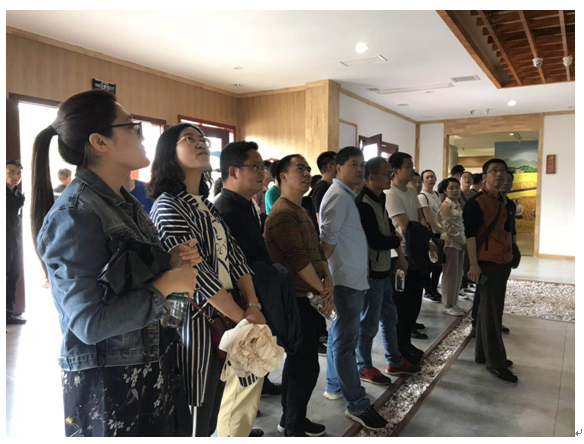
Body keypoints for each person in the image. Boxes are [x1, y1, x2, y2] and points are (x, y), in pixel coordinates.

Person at [31, 90, 200, 436]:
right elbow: (88, 323)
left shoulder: (124, 203)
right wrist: (165, 285)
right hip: (110, 384)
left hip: (153, 364)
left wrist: (170, 264)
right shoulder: (76, 214)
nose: (140, 135)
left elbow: (131, 282)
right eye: (131, 126)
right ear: (99, 142)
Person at [148, 123, 266, 437]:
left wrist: (253, 304)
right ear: (168, 153)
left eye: (202, 139)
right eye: (189, 139)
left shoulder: (205, 205)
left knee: (217, 403)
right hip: (195, 320)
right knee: (196, 406)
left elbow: (237, 258)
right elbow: (197, 275)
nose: (200, 143)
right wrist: (243, 318)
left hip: (226, 315)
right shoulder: (168, 205)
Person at [213, 140, 281, 437]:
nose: (262, 172)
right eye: (255, 166)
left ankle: (241, 428)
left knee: (248, 378)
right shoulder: (225, 208)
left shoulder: (244, 204)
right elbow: (233, 266)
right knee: (239, 380)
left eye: (262, 166)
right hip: (240, 305)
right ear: (233, 171)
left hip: (254, 299)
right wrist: (251, 304)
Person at [319, 146, 387, 430]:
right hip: (344, 280)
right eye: (353, 164)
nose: (359, 170)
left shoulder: (345, 194)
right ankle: (357, 404)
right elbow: (327, 240)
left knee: (339, 337)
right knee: (346, 343)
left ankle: (334, 385)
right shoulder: (338, 195)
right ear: (338, 168)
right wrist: (325, 279)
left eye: (361, 165)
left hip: (350, 278)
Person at [265, 154, 333, 437]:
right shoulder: (282, 213)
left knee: (305, 364)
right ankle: (292, 425)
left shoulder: (301, 209)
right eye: (300, 169)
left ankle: (293, 418)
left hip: (310, 295)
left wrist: (327, 280)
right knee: (302, 365)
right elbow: (296, 259)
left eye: (308, 169)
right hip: (295, 299)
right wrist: (322, 289)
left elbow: (316, 250)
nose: (307, 173)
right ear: (283, 177)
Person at [355, 157, 421, 383]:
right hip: (371, 271)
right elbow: (376, 240)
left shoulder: (380, 197)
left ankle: (394, 360)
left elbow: (389, 232)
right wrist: (395, 241)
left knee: (390, 317)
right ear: (372, 176)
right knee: (368, 324)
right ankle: (363, 366)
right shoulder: (363, 202)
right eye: (387, 174)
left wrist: (399, 253)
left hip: (384, 268)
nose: (390, 178)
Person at [464, 159, 517, 383]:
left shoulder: (502, 200)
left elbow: (506, 231)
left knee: (487, 310)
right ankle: (496, 362)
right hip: (487, 263)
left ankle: (482, 354)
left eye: (502, 171)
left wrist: (512, 252)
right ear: (484, 176)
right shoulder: (477, 202)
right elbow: (470, 236)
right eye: (494, 171)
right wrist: (474, 264)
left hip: (501, 260)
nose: (499, 174)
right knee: (493, 313)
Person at [385, 152, 429, 367]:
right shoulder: (390, 194)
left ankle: (407, 343)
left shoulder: (411, 191)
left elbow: (420, 218)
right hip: (399, 256)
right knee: (401, 306)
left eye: (412, 165)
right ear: (395, 170)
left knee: (414, 302)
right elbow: (405, 225)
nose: (412, 169)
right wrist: (422, 232)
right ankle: (399, 348)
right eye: (408, 166)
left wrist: (424, 233)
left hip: (417, 252)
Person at [437, 178, 466, 316]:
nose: (455, 190)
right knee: (450, 273)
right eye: (451, 188)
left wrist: (464, 240)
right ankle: (448, 304)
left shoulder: (457, 204)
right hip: (451, 242)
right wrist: (463, 241)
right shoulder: (445, 205)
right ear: (445, 190)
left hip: (460, 241)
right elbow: (449, 227)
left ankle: (454, 303)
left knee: (458, 273)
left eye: (457, 187)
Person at [6, 160, 26, 325]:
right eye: (11, 172)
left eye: (18, 173)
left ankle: (7, 314)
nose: (15, 176)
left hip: (15, 241)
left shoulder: (18, 195)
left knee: (13, 276)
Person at [418, 169, 443, 305]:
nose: (430, 179)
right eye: (427, 177)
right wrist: (438, 230)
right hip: (430, 233)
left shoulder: (436, 194)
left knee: (438, 265)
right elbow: (428, 218)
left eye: (432, 176)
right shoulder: (422, 196)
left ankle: (434, 289)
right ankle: (428, 291)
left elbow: (439, 214)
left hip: (439, 232)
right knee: (429, 264)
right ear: (423, 180)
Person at [311, 151, 337, 225]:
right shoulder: (322, 188)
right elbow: (321, 220)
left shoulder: (328, 186)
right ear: (330, 167)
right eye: (338, 164)